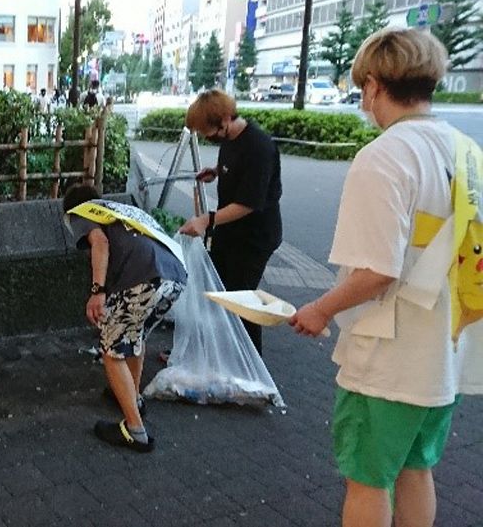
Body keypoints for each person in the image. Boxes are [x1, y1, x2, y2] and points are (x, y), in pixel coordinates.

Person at [289, 28, 482, 527]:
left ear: (374, 85)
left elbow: (377, 270)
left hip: (388, 357)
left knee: (368, 480)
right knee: (416, 470)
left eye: (362, 89)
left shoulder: (384, 156)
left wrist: (320, 309)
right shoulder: (466, 151)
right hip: (443, 354)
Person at [63, 185, 187, 452]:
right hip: (174, 276)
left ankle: (135, 430)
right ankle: (133, 398)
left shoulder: (84, 211)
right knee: (134, 336)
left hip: (144, 278)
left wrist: (97, 291)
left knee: (111, 349)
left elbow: (100, 243)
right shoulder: (122, 211)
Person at [178, 89, 282, 356]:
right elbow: (234, 167)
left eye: (208, 132)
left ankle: (250, 365)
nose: (208, 137)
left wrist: (206, 220)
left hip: (255, 237)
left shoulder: (259, 147)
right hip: (230, 232)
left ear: (225, 119)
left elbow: (249, 203)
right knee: (217, 291)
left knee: (242, 299)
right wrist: (215, 171)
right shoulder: (230, 139)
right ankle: (213, 354)